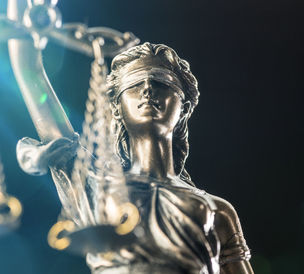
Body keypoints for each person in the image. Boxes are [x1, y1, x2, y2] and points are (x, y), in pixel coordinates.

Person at [16, 43, 253, 274]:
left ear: (183, 107)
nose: (148, 88)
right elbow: (28, 69)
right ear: (117, 108)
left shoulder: (217, 211)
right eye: (135, 85)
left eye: (161, 82)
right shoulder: (97, 191)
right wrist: (29, 21)